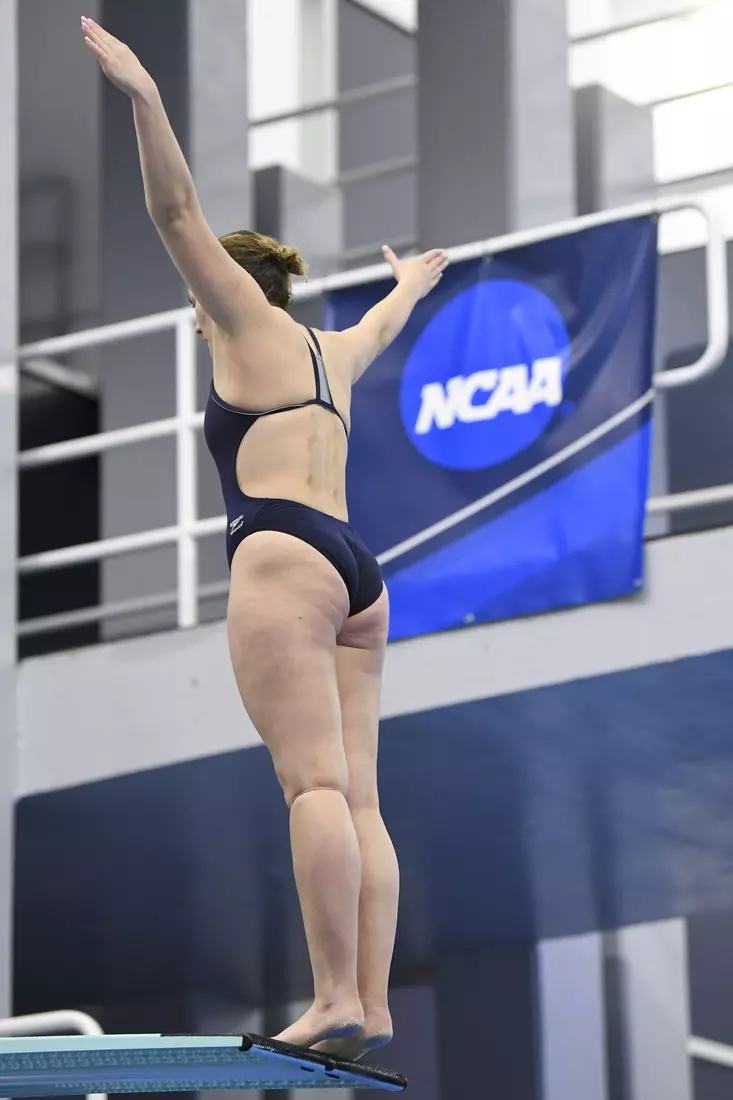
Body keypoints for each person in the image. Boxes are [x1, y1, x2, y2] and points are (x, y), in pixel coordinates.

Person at [81, 15, 448, 1058]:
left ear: (224, 294)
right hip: (357, 574)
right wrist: (409, 283)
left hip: (283, 558)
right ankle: (370, 1000)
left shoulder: (245, 324)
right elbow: (387, 321)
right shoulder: (333, 348)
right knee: (360, 793)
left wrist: (146, 96)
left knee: (312, 785)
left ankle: (335, 994)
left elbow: (174, 207)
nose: (200, 321)